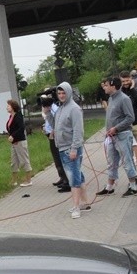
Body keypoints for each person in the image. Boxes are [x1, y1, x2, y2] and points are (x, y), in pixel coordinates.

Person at [50, 82, 92, 219]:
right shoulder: (61, 108)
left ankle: (76, 207)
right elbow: (58, 125)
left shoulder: (74, 109)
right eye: (59, 93)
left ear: (68, 93)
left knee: (73, 179)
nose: (61, 96)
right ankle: (85, 203)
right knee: (78, 175)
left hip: (71, 149)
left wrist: (74, 148)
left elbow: (78, 131)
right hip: (62, 148)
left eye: (64, 93)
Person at [97, 77, 137, 197]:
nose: (104, 87)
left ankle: (133, 187)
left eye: (106, 85)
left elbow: (130, 118)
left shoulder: (124, 99)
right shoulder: (111, 98)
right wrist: (108, 130)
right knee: (111, 162)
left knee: (127, 161)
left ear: (113, 85)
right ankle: (110, 187)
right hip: (111, 137)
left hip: (123, 135)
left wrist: (116, 128)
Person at [40, 93, 70, 193]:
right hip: (50, 135)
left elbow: (56, 123)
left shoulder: (55, 108)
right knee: (56, 158)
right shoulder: (49, 108)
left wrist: (52, 130)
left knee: (59, 157)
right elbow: (49, 121)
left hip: (56, 136)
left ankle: (67, 180)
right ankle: (62, 177)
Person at [5, 99, 33, 187]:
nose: (7, 107)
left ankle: (28, 180)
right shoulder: (11, 117)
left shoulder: (18, 116)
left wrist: (13, 136)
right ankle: (14, 180)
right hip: (14, 143)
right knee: (14, 162)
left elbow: (21, 128)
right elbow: (11, 128)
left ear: (13, 107)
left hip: (20, 141)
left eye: (8, 106)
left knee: (24, 160)